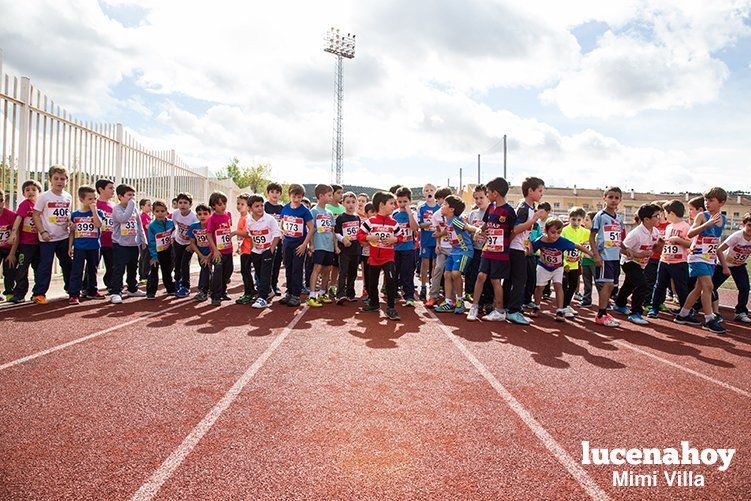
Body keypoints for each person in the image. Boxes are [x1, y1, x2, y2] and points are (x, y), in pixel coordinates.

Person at [674, 187, 728, 334]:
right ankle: (709, 319)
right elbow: (690, 233)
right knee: (708, 287)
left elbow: (714, 240)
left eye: (711, 200)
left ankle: (683, 314)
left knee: (699, 289)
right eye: (706, 200)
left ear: (721, 203)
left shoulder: (723, 219)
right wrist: (706, 225)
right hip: (697, 256)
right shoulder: (702, 216)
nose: (707, 203)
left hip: (709, 258)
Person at [467, 177, 516, 322]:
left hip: (500, 252)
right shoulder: (491, 207)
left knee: (495, 280)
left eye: (488, 192)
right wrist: (478, 231)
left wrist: (505, 244)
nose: (487, 195)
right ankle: (474, 306)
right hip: (487, 249)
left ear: (495, 193)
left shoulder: (508, 211)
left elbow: (513, 231)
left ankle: (500, 311)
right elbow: (486, 223)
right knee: (481, 276)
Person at [531, 218, 593, 320]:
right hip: (543, 266)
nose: (555, 235)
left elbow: (576, 246)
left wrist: (590, 253)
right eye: (553, 232)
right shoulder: (541, 240)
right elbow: (531, 248)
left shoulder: (562, 241)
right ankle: (536, 306)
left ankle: (560, 310)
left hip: (557, 268)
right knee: (539, 288)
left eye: (558, 233)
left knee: (558, 286)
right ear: (546, 231)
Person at [612, 204, 663, 325]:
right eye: (657, 216)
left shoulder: (655, 231)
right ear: (646, 219)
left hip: (641, 264)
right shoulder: (635, 234)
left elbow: (654, 247)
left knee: (629, 285)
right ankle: (635, 313)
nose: (659, 218)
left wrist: (659, 246)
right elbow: (621, 248)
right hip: (629, 262)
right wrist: (636, 254)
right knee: (642, 285)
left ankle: (619, 304)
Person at [505, 176, 546, 324]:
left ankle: (509, 307)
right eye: (540, 191)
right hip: (515, 249)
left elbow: (524, 232)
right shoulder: (523, 208)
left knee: (514, 279)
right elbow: (515, 229)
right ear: (530, 191)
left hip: (519, 248)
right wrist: (533, 219)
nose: (542, 194)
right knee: (519, 280)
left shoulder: (529, 208)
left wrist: (527, 244)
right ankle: (513, 310)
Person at [32, 164, 73, 304]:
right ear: (50, 180)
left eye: (62, 179)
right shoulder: (44, 197)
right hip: (47, 238)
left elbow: (67, 214)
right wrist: (42, 232)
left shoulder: (68, 197)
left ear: (66, 180)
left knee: (67, 263)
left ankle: (71, 289)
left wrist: (69, 223)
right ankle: (39, 293)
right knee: (46, 265)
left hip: (63, 237)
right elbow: (36, 215)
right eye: (56, 178)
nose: (59, 181)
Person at [358, 191, 402, 320]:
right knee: (372, 283)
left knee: (390, 281)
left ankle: (391, 308)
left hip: (388, 258)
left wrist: (395, 240)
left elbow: (400, 237)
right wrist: (368, 237)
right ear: (382, 205)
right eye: (391, 204)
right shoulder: (370, 221)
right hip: (373, 258)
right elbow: (359, 235)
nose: (394, 206)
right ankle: (374, 304)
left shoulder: (394, 223)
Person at [236, 194, 281, 309]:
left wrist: (271, 249)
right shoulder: (249, 221)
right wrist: (252, 249)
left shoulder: (270, 219)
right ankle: (269, 291)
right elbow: (251, 235)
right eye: (257, 206)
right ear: (250, 208)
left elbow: (277, 235)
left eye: (262, 205)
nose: (260, 208)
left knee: (265, 273)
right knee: (259, 273)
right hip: (256, 250)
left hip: (268, 250)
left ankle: (262, 298)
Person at [648, 200, 691, 318]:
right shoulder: (668, 227)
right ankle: (654, 308)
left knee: (681, 287)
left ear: (671, 213)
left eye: (665, 213)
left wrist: (678, 239)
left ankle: (685, 310)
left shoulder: (685, 226)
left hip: (679, 262)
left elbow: (690, 244)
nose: (664, 216)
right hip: (664, 260)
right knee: (659, 285)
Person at [435, 195, 477, 314]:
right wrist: (439, 234)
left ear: (451, 209)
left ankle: (459, 301)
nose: (442, 206)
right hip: (454, 251)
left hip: (464, 251)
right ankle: (449, 302)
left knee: (456, 273)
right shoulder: (448, 221)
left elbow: (467, 227)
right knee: (447, 274)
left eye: (444, 205)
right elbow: (448, 230)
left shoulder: (455, 220)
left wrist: (477, 230)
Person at [590, 187, 626, 327]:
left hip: (615, 257)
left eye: (616, 198)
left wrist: (625, 250)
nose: (613, 200)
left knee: (612, 286)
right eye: (610, 197)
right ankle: (601, 314)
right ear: (604, 198)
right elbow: (592, 237)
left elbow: (618, 239)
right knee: (607, 284)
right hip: (604, 256)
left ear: (620, 200)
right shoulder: (600, 216)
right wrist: (596, 255)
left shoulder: (619, 219)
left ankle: (604, 311)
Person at [110, 184, 147, 304]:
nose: (132, 198)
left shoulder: (135, 210)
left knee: (133, 267)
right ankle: (116, 292)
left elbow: (139, 225)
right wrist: (130, 206)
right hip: (120, 244)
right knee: (119, 268)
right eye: (128, 195)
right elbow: (123, 219)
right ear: (120, 196)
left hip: (133, 244)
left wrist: (143, 240)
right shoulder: (117, 209)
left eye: (133, 195)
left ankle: (132, 288)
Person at [67, 186, 104, 304]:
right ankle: (74, 294)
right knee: (77, 270)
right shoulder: (75, 215)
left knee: (92, 270)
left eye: (95, 199)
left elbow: (99, 225)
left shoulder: (98, 212)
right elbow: (72, 232)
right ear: (82, 200)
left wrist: (94, 211)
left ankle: (92, 290)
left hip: (94, 246)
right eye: (90, 199)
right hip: (79, 247)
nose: (93, 201)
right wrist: (69, 246)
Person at [7, 180, 42, 303]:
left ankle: (38, 293)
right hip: (26, 245)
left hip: (39, 244)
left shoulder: (41, 205)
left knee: (39, 269)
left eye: (33, 189)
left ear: (39, 192)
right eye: (27, 190)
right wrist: (13, 233)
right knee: (22, 269)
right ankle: (20, 293)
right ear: (23, 193)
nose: (30, 192)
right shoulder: (25, 205)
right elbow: (18, 219)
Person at [279, 184, 314, 307]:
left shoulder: (305, 211)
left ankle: (296, 295)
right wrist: (282, 231)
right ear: (289, 196)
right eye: (294, 196)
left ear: (302, 197)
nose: (296, 199)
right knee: (288, 268)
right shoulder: (285, 208)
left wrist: (305, 244)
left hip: (299, 246)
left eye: (299, 197)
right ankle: (289, 292)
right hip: (287, 244)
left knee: (297, 270)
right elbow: (282, 222)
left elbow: (311, 228)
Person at [712, 213, 751, 323]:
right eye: (749, 225)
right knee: (711, 287)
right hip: (723, 264)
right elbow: (719, 250)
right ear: (743, 225)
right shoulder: (737, 236)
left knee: (744, 287)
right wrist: (725, 267)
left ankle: (740, 312)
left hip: (739, 265)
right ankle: (696, 306)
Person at [306, 184, 336, 307]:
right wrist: (311, 244)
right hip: (318, 245)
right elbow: (310, 229)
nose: (331, 197)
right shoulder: (313, 211)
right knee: (317, 269)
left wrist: (336, 246)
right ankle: (312, 295)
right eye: (329, 195)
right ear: (321, 196)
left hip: (329, 245)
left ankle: (323, 293)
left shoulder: (329, 212)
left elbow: (332, 230)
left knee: (327, 270)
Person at [466, 184, 492, 312]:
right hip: (476, 250)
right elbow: (469, 230)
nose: (479, 201)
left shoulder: (493, 212)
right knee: (476, 275)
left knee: (487, 277)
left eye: (481, 197)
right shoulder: (473, 214)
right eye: (476, 198)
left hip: (488, 250)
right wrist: (475, 232)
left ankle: (488, 301)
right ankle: (479, 301)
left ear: (488, 197)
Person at [393, 186, 419, 307]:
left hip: (408, 249)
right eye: (400, 202)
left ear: (410, 201)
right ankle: (392, 294)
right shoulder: (394, 214)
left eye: (405, 202)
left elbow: (415, 228)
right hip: (395, 249)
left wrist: (409, 214)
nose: (402, 204)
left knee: (407, 272)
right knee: (394, 272)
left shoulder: (413, 213)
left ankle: (409, 296)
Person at [206, 191, 234, 306]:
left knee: (229, 270)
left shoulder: (228, 215)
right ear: (213, 206)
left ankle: (223, 291)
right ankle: (215, 295)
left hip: (228, 249)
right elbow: (208, 235)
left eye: (224, 203)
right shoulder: (212, 219)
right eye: (220, 204)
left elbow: (227, 230)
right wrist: (215, 250)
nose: (223, 206)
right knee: (218, 272)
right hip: (218, 252)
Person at [560, 207, 589, 316]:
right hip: (564, 264)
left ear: (582, 220)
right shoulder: (564, 231)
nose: (576, 222)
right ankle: (562, 306)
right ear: (569, 219)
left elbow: (592, 237)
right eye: (573, 219)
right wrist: (565, 263)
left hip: (576, 263)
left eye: (578, 220)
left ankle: (566, 305)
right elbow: (560, 248)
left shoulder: (584, 231)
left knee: (573, 286)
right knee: (564, 285)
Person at [334, 192, 362, 304]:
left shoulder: (357, 218)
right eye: (348, 202)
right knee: (343, 271)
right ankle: (340, 294)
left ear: (356, 204)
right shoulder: (341, 218)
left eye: (353, 202)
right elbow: (336, 232)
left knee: (353, 272)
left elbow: (359, 232)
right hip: (344, 250)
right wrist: (342, 239)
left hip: (355, 250)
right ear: (343, 203)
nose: (350, 204)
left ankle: (350, 294)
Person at [427, 187, 453, 307]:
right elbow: (438, 231)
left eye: (441, 201)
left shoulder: (456, 213)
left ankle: (453, 297)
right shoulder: (436, 216)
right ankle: (433, 296)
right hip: (443, 247)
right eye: (437, 201)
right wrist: (438, 244)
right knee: (438, 269)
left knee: (453, 273)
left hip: (455, 248)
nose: (439, 203)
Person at [146, 200, 176, 299]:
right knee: (154, 271)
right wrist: (154, 256)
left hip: (167, 251)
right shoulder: (152, 226)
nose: (160, 213)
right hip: (155, 251)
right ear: (153, 212)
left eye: (162, 211)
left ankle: (170, 288)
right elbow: (151, 242)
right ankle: (151, 292)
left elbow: (174, 234)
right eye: (157, 211)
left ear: (166, 211)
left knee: (167, 270)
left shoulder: (171, 223)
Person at [90, 179, 115, 294]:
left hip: (111, 241)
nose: (113, 190)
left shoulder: (114, 206)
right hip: (97, 242)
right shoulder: (95, 205)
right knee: (92, 266)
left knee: (111, 266)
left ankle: (110, 285)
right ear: (100, 189)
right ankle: (88, 287)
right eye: (110, 187)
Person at [171, 192, 198, 297]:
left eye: (185, 203)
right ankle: (177, 282)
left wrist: (192, 245)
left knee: (184, 264)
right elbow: (173, 227)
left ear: (190, 205)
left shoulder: (194, 218)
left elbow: (196, 233)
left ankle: (185, 286)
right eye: (180, 202)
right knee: (177, 263)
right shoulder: (175, 214)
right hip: (178, 242)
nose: (182, 205)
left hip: (189, 244)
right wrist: (173, 237)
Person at [417, 183, 438, 301]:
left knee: (435, 265)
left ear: (435, 192)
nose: (429, 192)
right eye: (426, 190)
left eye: (431, 190)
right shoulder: (422, 207)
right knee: (424, 264)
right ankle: (423, 286)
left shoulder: (439, 208)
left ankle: (433, 286)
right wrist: (430, 222)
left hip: (436, 240)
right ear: (423, 193)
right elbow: (420, 224)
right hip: (425, 240)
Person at [187, 204, 212, 302]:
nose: (202, 216)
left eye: (205, 214)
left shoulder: (212, 226)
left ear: (210, 214)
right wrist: (201, 255)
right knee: (205, 269)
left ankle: (205, 290)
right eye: (200, 214)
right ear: (196, 216)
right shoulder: (194, 227)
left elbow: (217, 242)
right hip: (201, 253)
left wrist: (209, 256)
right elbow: (192, 243)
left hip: (212, 253)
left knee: (208, 269)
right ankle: (204, 290)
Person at [234, 193, 255, 305]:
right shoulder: (242, 217)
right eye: (238, 203)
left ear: (248, 206)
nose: (239, 206)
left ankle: (249, 292)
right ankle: (251, 291)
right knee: (245, 271)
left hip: (248, 250)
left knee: (245, 271)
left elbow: (247, 233)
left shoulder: (246, 218)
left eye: (242, 204)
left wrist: (234, 232)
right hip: (244, 249)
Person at [265, 182, 284, 296]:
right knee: (266, 263)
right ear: (267, 193)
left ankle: (274, 285)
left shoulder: (281, 208)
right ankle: (265, 285)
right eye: (272, 192)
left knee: (276, 263)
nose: (274, 194)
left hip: (279, 239)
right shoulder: (264, 206)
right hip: (267, 239)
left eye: (277, 192)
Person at [326, 183, 345, 296]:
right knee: (327, 265)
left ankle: (333, 286)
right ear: (331, 194)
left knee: (337, 266)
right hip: (328, 241)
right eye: (338, 193)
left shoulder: (343, 208)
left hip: (340, 240)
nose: (341, 195)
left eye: (342, 193)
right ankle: (324, 286)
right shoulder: (327, 208)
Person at [0, 191, 17, 300]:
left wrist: (12, 253)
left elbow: (16, 235)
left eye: (1, 200)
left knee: (9, 270)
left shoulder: (10, 215)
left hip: (8, 249)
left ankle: (9, 292)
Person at [579, 210, 597, 308]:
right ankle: (586, 300)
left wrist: (589, 255)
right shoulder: (583, 233)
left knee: (599, 282)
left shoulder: (597, 234)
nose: (584, 222)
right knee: (587, 282)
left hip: (594, 262)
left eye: (587, 220)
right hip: (585, 262)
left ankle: (605, 302)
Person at [360, 202, 375, 302]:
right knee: (367, 273)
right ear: (366, 214)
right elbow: (360, 239)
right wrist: (366, 241)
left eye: (375, 212)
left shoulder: (378, 223)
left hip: (376, 254)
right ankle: (368, 293)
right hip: (366, 253)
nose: (374, 214)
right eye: (372, 212)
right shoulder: (364, 224)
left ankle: (373, 295)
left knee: (374, 275)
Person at [138, 199, 152, 283]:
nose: (150, 207)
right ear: (142, 206)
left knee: (143, 258)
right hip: (145, 241)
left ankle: (143, 276)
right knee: (145, 259)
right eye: (148, 205)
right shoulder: (143, 216)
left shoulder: (147, 216)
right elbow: (147, 227)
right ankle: (144, 277)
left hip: (147, 241)